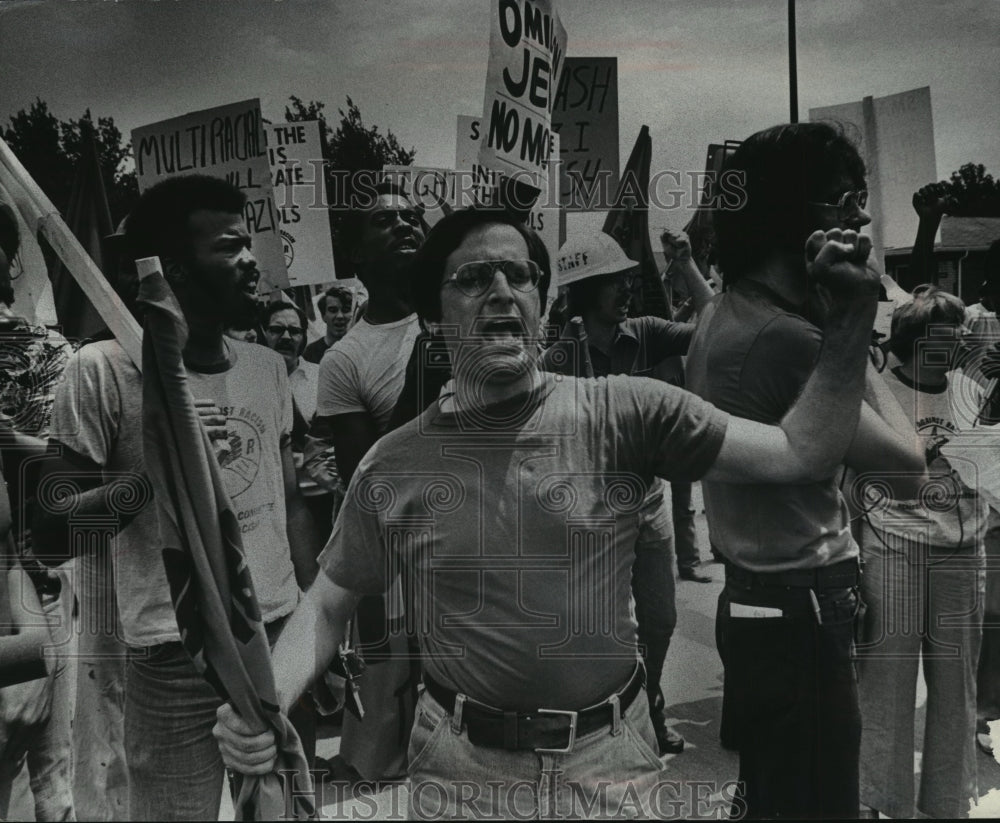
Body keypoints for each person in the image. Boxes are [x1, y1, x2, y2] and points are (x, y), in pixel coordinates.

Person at [217, 204, 892, 819]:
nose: (503, 291)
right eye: (474, 278)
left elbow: (802, 451)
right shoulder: (395, 463)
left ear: (540, 303)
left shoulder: (626, 410)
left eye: (520, 274)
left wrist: (853, 316)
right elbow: (329, 601)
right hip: (458, 775)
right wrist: (264, 699)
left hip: (611, 768)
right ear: (432, 317)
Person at [33, 174, 323, 821]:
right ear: (171, 270)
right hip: (173, 649)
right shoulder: (102, 372)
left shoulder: (265, 368)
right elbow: (50, 532)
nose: (251, 261)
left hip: (271, 636)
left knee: (280, 808)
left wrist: (313, 624)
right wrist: (151, 480)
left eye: (249, 243)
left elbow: (292, 506)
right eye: (230, 247)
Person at [685, 122, 927, 819]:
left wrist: (832, 326)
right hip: (802, 608)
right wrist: (848, 315)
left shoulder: (729, 313)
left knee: (779, 795)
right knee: (820, 801)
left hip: (761, 601)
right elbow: (908, 464)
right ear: (783, 217)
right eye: (838, 199)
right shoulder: (786, 339)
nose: (860, 215)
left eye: (858, 196)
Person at [539, 228, 713, 757]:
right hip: (590, 517)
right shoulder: (556, 359)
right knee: (599, 630)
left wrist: (685, 267)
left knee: (659, 620)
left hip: (648, 505)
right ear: (585, 291)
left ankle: (650, 705)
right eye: (614, 282)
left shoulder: (645, 332)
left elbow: (717, 326)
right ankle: (611, 722)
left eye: (627, 280)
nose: (626, 291)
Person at [308, 180, 426, 781]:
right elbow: (366, 480)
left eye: (413, 216)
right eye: (385, 221)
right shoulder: (344, 360)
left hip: (485, 554)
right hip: (402, 568)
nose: (406, 224)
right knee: (391, 744)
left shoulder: (473, 314)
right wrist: (429, 363)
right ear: (356, 255)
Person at [856, 287, 990, 819]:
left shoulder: (973, 391)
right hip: (895, 545)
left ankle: (947, 803)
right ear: (914, 340)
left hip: (962, 550)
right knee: (886, 681)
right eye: (944, 333)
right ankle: (878, 801)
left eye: (960, 333)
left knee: (957, 688)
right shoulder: (880, 390)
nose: (957, 342)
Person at [303, 284, 355, 364]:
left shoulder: (359, 349)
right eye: (333, 310)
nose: (340, 316)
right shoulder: (310, 353)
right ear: (323, 316)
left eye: (345, 310)